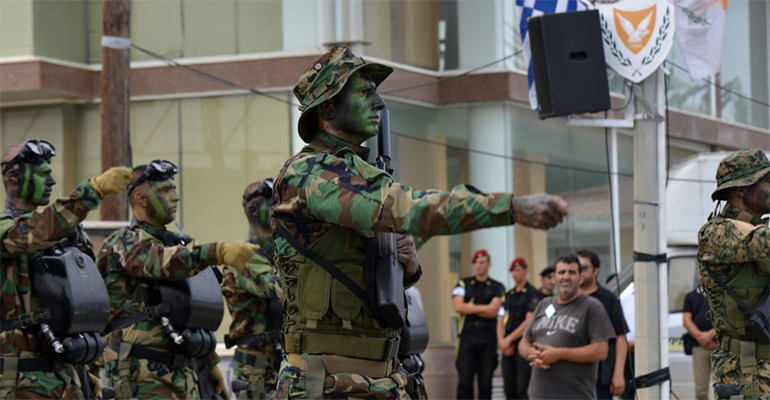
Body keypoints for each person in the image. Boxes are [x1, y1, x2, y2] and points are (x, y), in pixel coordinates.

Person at [271, 44, 569, 400]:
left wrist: (405, 263)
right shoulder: (309, 174)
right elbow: (407, 208)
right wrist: (510, 207)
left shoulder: (361, 177)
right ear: (328, 109)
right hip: (325, 384)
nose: (378, 103)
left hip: (382, 381)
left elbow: (368, 265)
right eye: (364, 93)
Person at [97, 161, 257, 400]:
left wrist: (210, 362)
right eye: (165, 190)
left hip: (184, 372)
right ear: (141, 199)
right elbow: (161, 262)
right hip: (140, 374)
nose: (175, 197)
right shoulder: (122, 243)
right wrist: (217, 252)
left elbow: (188, 315)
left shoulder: (175, 244)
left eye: (173, 189)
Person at [0, 139, 131, 399]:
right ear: (13, 177)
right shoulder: (8, 229)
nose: (51, 182)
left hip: (66, 373)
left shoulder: (59, 234)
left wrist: (85, 371)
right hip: (22, 380)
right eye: (41, 174)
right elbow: (37, 231)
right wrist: (92, 191)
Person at [697, 149, 770, 399]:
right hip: (744, 370)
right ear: (740, 188)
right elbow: (760, 242)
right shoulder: (716, 234)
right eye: (767, 181)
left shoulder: (758, 229)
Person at [519, 254, 616, 400]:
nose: (566, 277)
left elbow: (601, 351)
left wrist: (559, 354)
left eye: (571, 272)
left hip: (575, 395)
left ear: (580, 277)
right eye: (561, 272)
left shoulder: (592, 307)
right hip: (538, 395)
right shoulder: (544, 304)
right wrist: (531, 354)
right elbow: (524, 342)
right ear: (554, 277)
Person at [221, 179, 285, 399]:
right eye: (274, 203)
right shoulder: (243, 257)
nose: (281, 208)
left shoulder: (279, 255)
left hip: (282, 359)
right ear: (255, 210)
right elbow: (280, 290)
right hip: (256, 367)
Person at [453, 249, 505, 400]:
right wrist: (485, 308)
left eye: (482, 262)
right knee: (464, 382)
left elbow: (494, 311)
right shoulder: (463, 283)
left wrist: (470, 308)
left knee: (485, 384)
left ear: (489, 264)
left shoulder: (497, 287)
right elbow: (458, 307)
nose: (479, 265)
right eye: (476, 262)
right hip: (467, 341)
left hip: (488, 342)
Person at [577, 249, 629, 399]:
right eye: (576, 268)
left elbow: (621, 337)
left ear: (596, 271)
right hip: (571, 374)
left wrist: (618, 374)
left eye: (584, 268)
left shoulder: (608, 299)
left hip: (600, 374)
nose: (579, 272)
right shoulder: (567, 298)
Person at [497, 257, 542, 399]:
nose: (515, 274)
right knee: (509, 389)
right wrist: (501, 341)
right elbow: (500, 318)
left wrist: (508, 340)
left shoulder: (532, 293)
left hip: (523, 343)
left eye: (517, 270)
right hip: (507, 345)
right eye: (513, 271)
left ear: (526, 271)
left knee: (523, 388)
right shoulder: (508, 295)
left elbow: (528, 321)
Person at [683, 275, 717, 400]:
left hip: (720, 347)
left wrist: (710, 335)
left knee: (723, 386)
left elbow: (727, 320)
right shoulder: (691, 297)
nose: (703, 275)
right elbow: (686, 321)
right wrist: (701, 338)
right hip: (699, 347)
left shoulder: (721, 295)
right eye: (701, 272)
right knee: (701, 390)